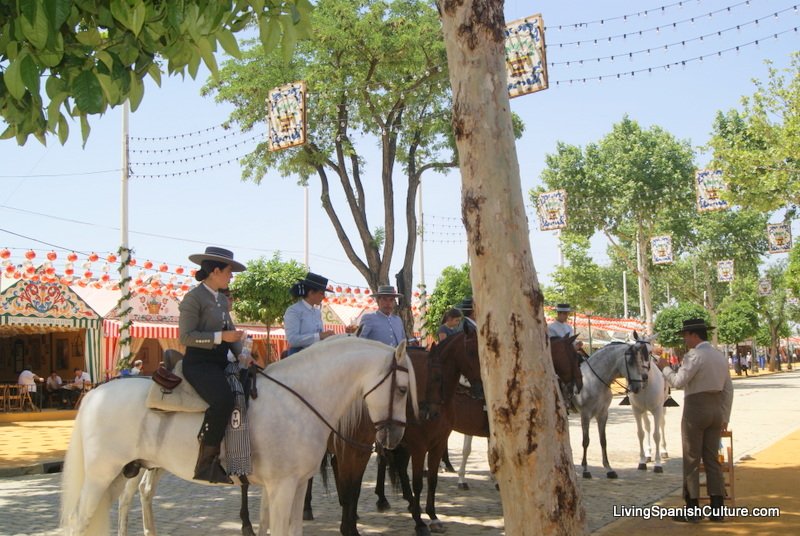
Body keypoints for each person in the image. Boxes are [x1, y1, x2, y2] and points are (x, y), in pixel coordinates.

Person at [655, 318, 733, 523]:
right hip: (716, 409)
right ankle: (717, 508)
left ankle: (693, 509)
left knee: (691, 458)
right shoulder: (719, 356)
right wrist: (724, 415)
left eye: (686, 336)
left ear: (694, 335)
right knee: (712, 459)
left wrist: (664, 367)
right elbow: (728, 390)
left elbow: (678, 381)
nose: (684, 340)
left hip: (696, 409)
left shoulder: (694, 355)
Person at [179, 246, 246, 484]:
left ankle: (241, 453)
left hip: (220, 360)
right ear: (215, 271)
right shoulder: (193, 298)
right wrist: (220, 337)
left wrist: (244, 356)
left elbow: (229, 333)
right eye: (229, 271)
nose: (231, 276)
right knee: (223, 400)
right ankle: (206, 463)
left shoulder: (220, 299)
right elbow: (185, 337)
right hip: (199, 363)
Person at [283, 272, 335, 357]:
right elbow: (292, 339)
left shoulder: (317, 312)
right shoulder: (293, 311)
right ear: (311, 293)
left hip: (317, 355)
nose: (324, 297)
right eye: (321, 293)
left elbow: (319, 335)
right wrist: (320, 336)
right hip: (298, 357)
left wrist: (328, 336)